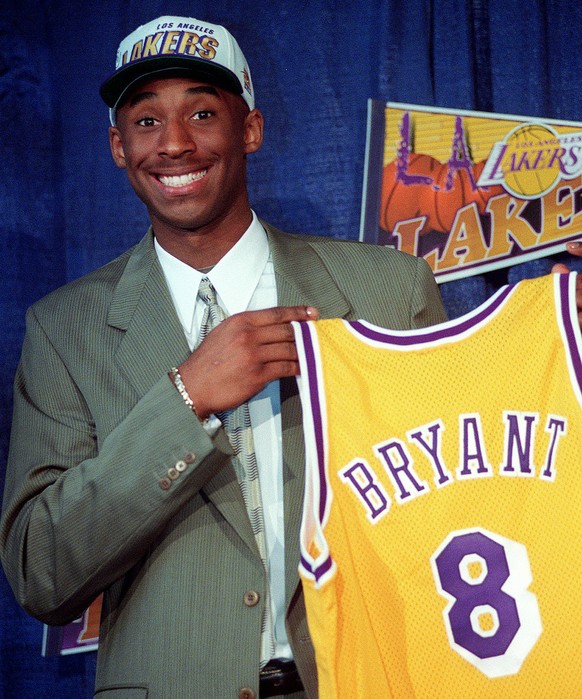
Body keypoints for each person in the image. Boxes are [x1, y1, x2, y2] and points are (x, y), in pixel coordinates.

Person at [0, 14, 579, 699]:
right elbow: (42, 571)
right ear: (118, 146)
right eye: (146, 121)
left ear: (251, 130)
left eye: (203, 112)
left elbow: (495, 476)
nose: (176, 142)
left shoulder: (389, 290)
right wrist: (185, 400)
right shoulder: (65, 328)